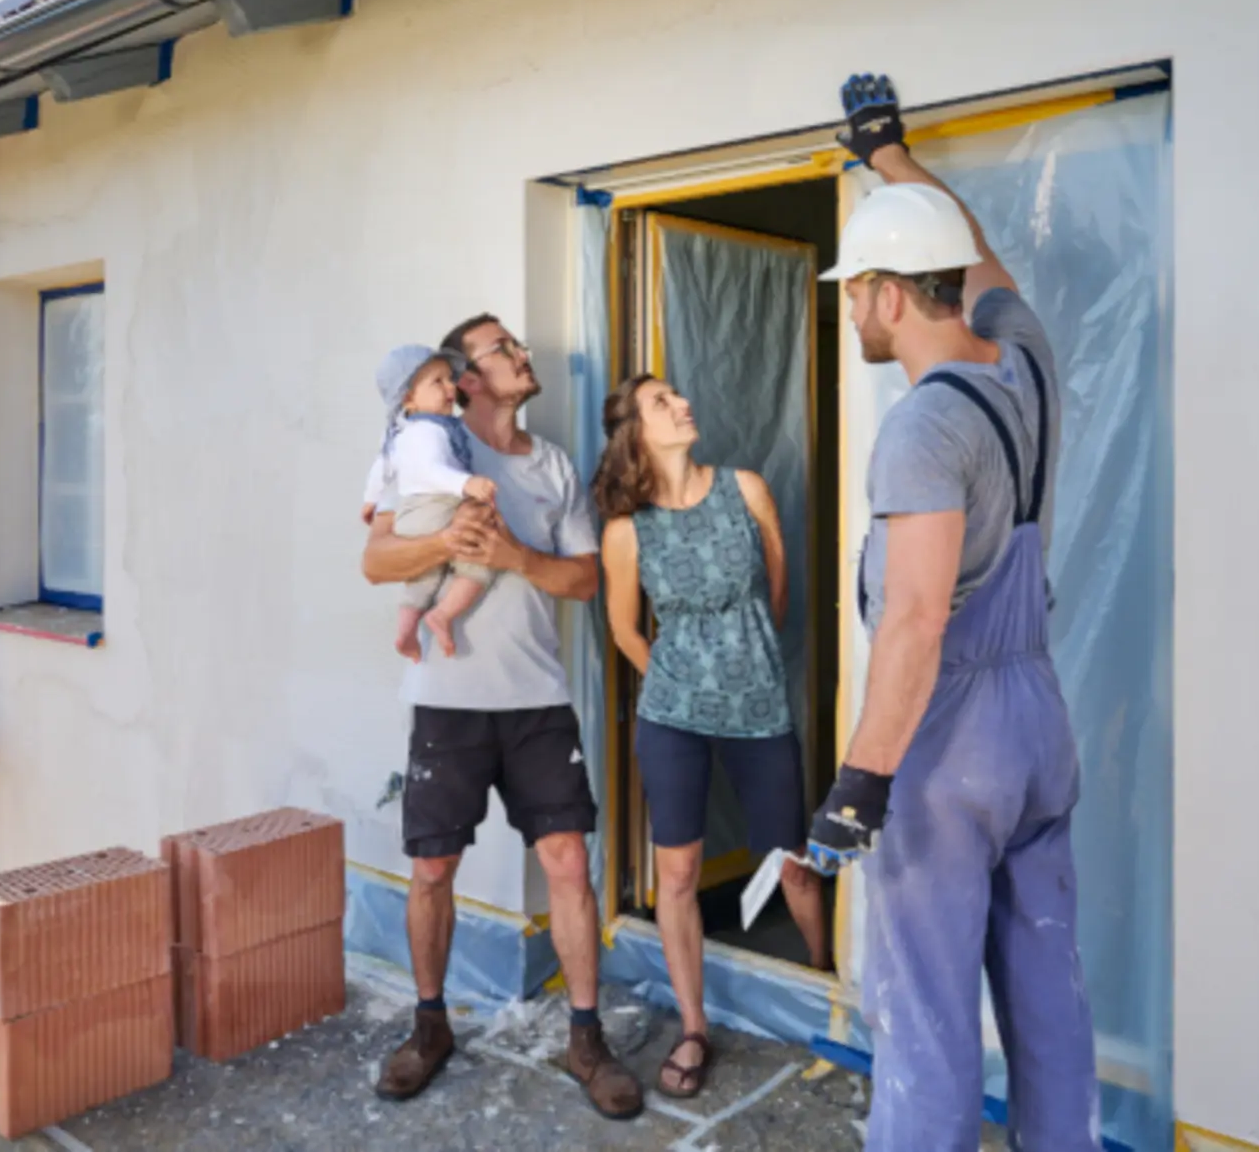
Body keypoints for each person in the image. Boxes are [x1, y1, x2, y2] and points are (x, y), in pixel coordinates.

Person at [805, 74, 1098, 1150]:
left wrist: (859, 780)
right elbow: (982, 260)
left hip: (950, 742)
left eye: (852, 289)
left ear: (888, 291)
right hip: (1037, 726)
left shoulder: (923, 430)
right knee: (1048, 989)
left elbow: (918, 618)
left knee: (924, 1017)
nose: (849, 308)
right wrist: (890, 159)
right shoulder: (1026, 359)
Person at [361, 314, 644, 1121]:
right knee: (432, 870)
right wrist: (448, 536)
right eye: (503, 348)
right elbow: (377, 559)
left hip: (538, 703)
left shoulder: (552, 463)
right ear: (467, 376)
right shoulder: (436, 449)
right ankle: (429, 1028)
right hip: (446, 704)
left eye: (517, 344)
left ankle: (584, 1038)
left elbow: (586, 582)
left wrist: (518, 556)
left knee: (567, 862)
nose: (522, 354)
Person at [592, 373, 828, 1100]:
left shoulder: (747, 488)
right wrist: (675, 678)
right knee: (679, 873)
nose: (682, 404)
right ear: (636, 431)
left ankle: (827, 990)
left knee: (792, 858)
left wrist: (741, 656)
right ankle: (693, 1026)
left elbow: (780, 595)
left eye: (679, 395)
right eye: (662, 403)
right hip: (674, 717)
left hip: (760, 703)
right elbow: (626, 627)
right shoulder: (627, 529)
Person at [372, 344, 499, 661]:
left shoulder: (404, 433)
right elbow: (432, 471)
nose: (450, 387)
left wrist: (368, 500)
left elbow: (382, 469)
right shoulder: (428, 430)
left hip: (416, 514)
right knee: (477, 563)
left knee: (422, 582)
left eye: (449, 379)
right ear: (408, 399)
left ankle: (405, 631)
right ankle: (443, 615)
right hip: (436, 505)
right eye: (438, 382)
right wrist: (466, 483)